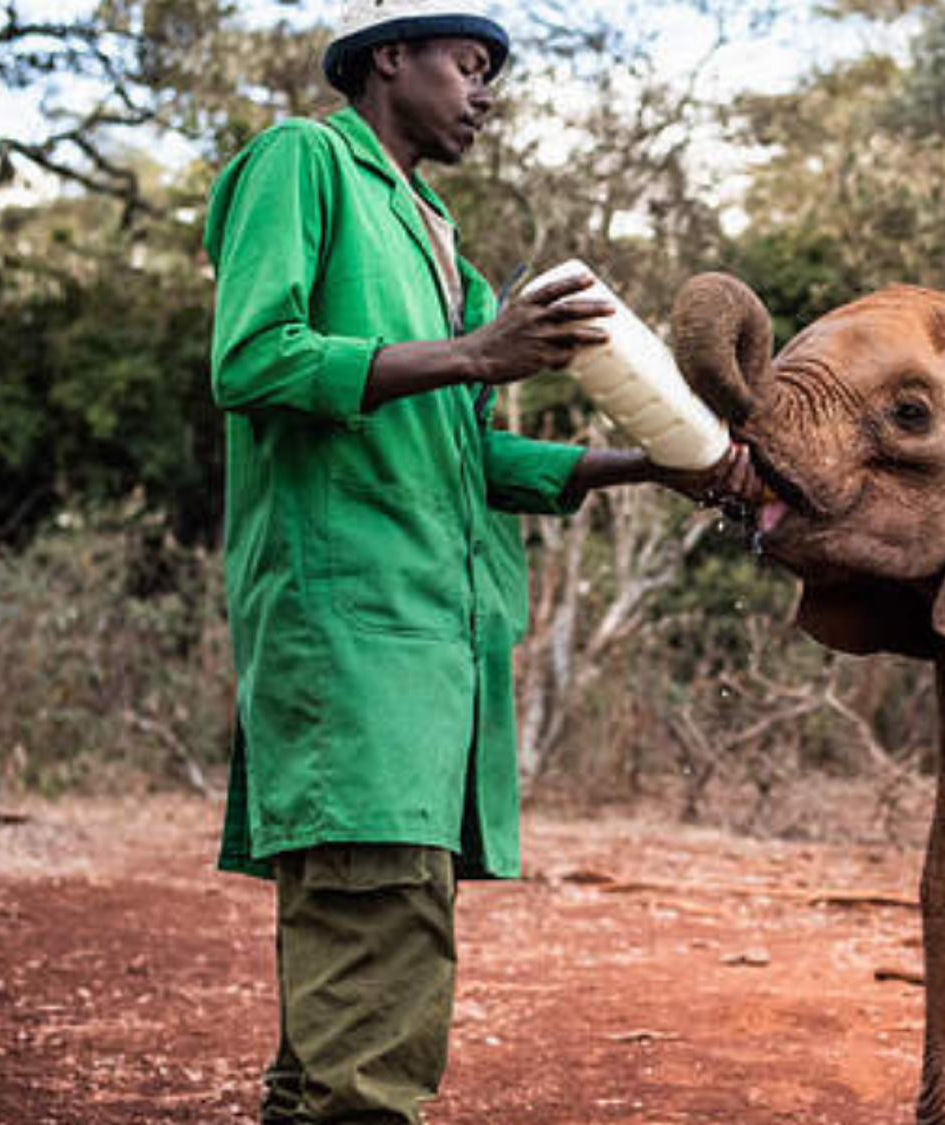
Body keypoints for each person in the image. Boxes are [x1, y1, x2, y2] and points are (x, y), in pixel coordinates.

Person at [202, 1, 758, 1120]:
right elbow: (254, 359)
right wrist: (477, 351)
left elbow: (466, 455)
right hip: (349, 623)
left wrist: (659, 463)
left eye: (492, 72)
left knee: (377, 930)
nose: (486, 91)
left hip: (431, 637)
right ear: (388, 58)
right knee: (378, 918)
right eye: (468, 65)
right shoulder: (303, 162)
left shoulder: (439, 238)